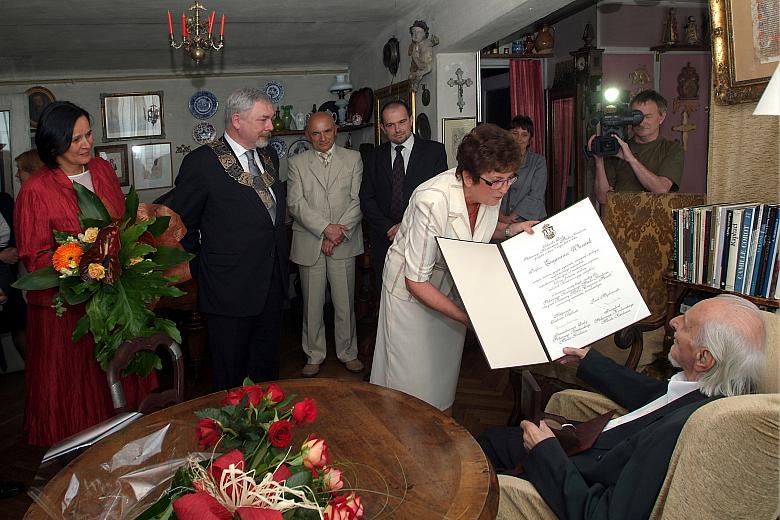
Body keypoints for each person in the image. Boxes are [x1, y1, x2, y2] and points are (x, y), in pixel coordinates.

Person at [478, 294, 767, 519]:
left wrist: (545, 452)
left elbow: (603, 515)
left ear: (704, 359)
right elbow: (653, 396)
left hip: (577, 472)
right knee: (492, 441)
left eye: (687, 325)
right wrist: (589, 360)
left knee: (482, 453)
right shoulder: (715, 390)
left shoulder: (679, 434)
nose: (674, 323)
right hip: (585, 445)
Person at [14, 101, 156, 445]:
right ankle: (81, 454)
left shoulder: (103, 170)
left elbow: (119, 224)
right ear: (53, 144)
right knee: (78, 388)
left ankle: (126, 440)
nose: (86, 143)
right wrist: (85, 264)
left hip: (112, 299)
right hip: (67, 313)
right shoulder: (36, 191)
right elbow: (35, 258)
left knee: (117, 375)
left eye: (88, 134)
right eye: (75, 138)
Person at [370, 124, 536, 413]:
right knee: (410, 382)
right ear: (468, 176)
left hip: (450, 290)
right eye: (497, 181)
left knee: (440, 377)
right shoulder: (431, 200)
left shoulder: (488, 191)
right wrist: (470, 320)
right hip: (411, 297)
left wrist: (512, 229)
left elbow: (476, 229)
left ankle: (439, 424)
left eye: (510, 179)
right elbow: (416, 282)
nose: (505, 188)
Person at [169, 87, 288, 391]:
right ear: (237, 119)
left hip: (271, 285)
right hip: (228, 290)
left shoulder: (269, 155)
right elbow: (179, 224)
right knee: (231, 379)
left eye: (271, 119)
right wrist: (203, 266)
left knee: (266, 372)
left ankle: (267, 431)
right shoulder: (202, 162)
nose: (271, 127)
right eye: (264, 119)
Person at [288, 113, 364, 377]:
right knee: (312, 304)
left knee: (345, 303)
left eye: (327, 132)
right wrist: (325, 230)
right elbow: (296, 203)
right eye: (316, 133)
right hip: (311, 242)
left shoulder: (353, 159)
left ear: (336, 130)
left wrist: (338, 233)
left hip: (344, 241)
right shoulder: (296, 163)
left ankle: (348, 352)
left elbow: (357, 200)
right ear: (307, 135)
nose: (322, 138)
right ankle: (314, 354)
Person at [359, 100, 448, 286]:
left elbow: (439, 198)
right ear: (383, 128)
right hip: (385, 240)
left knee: (422, 298)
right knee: (386, 296)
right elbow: (366, 198)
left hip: (421, 238)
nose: (397, 129)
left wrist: (405, 225)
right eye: (390, 125)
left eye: (402, 122)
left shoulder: (434, 152)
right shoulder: (373, 157)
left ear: (411, 120)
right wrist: (388, 227)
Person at [591, 90, 684, 205]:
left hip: (655, 221)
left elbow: (661, 189)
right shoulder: (616, 148)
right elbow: (603, 198)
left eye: (647, 117)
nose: (641, 123)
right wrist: (599, 161)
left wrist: (631, 159)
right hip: (621, 220)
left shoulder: (671, 149)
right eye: (636, 117)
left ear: (661, 117)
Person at [499, 116, 547, 225]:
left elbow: (536, 195)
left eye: (524, 135)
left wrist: (512, 218)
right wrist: (501, 217)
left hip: (528, 220)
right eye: (514, 133)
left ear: (530, 139)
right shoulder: (497, 159)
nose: (519, 138)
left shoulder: (538, 161)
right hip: (498, 221)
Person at [408, 20, 437, 89]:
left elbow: (433, 42)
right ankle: (415, 83)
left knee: (426, 69)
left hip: (425, 66)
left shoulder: (426, 43)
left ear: (424, 33)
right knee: (411, 76)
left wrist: (435, 40)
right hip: (419, 66)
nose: (415, 34)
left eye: (419, 32)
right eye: (413, 32)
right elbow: (410, 54)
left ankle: (416, 81)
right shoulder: (414, 46)